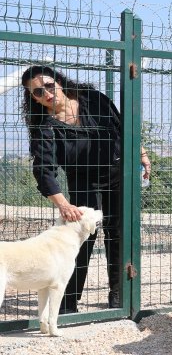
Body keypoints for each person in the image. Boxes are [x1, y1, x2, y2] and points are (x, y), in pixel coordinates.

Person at [21, 65, 151, 313]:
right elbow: (44, 170)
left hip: (117, 173)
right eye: (38, 92)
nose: (47, 93)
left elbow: (123, 127)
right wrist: (63, 204)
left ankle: (119, 295)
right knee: (80, 237)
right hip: (82, 181)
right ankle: (68, 303)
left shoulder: (92, 99)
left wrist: (141, 154)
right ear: (33, 98)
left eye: (49, 85)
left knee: (118, 234)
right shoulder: (45, 127)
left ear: (59, 81)